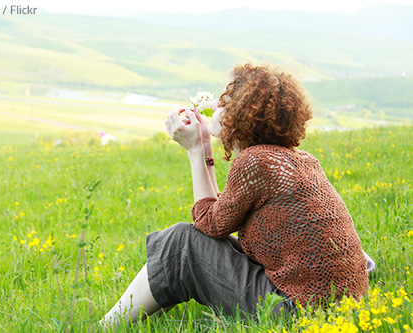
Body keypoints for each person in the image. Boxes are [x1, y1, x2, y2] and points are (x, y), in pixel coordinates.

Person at [99, 62, 373, 327]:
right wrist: (204, 145)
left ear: (241, 114)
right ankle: (141, 312)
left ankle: (104, 326)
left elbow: (207, 225)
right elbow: (221, 217)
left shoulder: (256, 161)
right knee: (207, 244)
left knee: (181, 242)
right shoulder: (297, 159)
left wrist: (195, 150)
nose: (216, 109)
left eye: (223, 104)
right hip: (336, 307)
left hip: (296, 312)